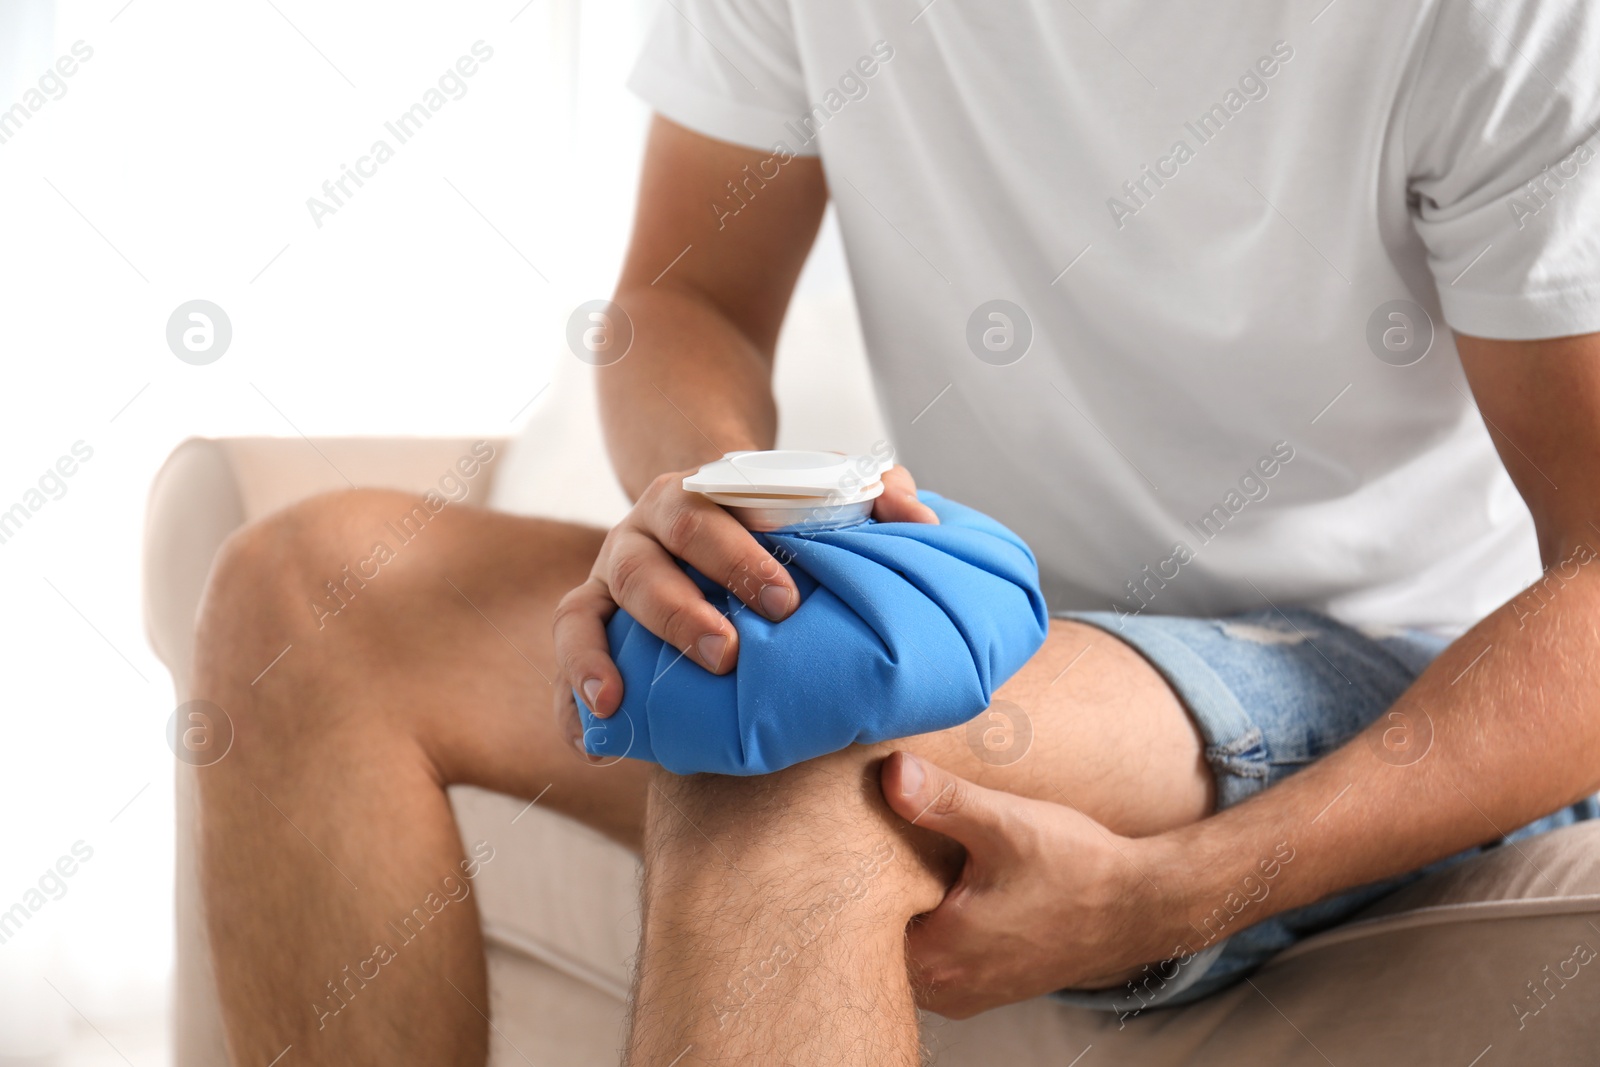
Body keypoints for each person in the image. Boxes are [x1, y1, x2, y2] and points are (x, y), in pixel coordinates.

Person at [191, 1, 1600, 1063]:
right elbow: (686, 296)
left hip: (1374, 658)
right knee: (301, 600)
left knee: (800, 767)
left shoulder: (1499, 24)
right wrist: (717, 519)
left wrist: (1179, 891)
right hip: (993, 618)